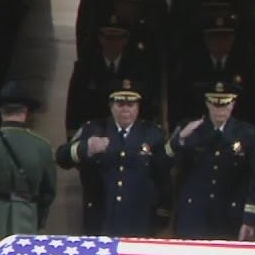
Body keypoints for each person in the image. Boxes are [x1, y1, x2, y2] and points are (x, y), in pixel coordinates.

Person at [56, 78, 171, 236]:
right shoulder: (93, 129)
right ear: (111, 106)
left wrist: (163, 211)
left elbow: (163, 176)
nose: (125, 109)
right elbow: (61, 158)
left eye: (130, 105)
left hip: (139, 219)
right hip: (101, 218)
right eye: (120, 104)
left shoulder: (153, 134)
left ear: (138, 108)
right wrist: (86, 148)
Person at [0, 81, 58, 250]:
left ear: (1, 110)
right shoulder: (42, 146)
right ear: (26, 111)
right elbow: (48, 192)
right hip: (26, 216)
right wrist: (37, 215)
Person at [167, 81, 255, 240]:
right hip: (193, 216)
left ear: (233, 104)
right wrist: (180, 140)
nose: (220, 110)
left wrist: (249, 219)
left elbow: (254, 179)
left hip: (228, 215)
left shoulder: (246, 133)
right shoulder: (190, 128)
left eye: (225, 105)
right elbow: (165, 163)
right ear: (207, 103)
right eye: (215, 105)